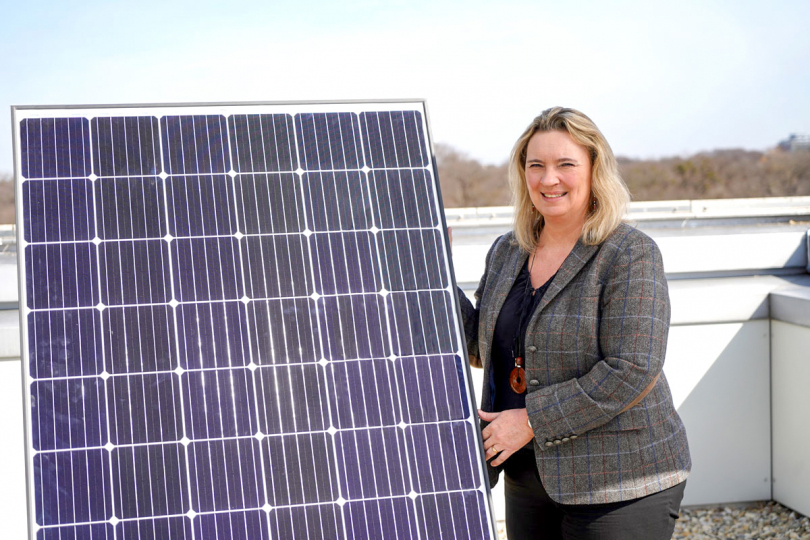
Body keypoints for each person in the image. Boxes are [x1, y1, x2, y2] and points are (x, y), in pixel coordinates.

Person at [457, 107, 691, 539]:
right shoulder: (508, 250)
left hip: (619, 476)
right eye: (536, 166)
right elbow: (480, 348)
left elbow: (631, 368)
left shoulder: (629, 253)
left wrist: (530, 420)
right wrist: (428, 272)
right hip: (529, 474)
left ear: (594, 169)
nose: (549, 179)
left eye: (565, 164)